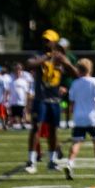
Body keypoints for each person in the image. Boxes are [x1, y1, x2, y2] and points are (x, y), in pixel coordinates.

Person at [26, 29, 77, 173]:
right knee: (36, 128)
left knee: (53, 131)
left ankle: (52, 160)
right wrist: (47, 57)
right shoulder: (39, 55)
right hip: (40, 98)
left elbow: (75, 74)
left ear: (55, 42)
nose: (45, 42)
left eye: (48, 40)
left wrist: (66, 63)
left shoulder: (61, 57)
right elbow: (30, 64)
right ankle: (31, 160)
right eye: (44, 40)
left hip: (54, 99)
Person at [63, 59, 95, 179]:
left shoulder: (75, 83)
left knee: (77, 142)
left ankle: (70, 163)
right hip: (92, 117)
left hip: (79, 117)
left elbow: (72, 102)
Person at [8, 62, 31, 129]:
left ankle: (22, 123)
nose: (18, 72)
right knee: (13, 113)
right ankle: (11, 123)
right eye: (16, 70)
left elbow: (26, 92)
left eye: (19, 70)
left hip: (21, 100)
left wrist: (26, 100)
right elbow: (9, 91)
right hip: (13, 100)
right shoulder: (11, 80)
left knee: (22, 113)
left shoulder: (24, 81)